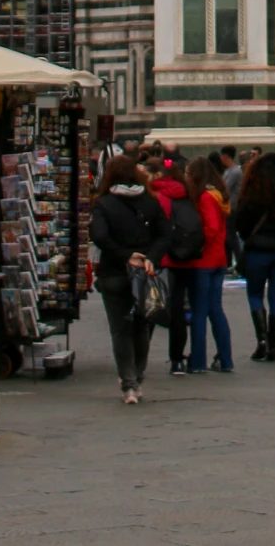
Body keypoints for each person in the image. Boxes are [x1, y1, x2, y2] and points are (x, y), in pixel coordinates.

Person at [87, 155, 170, 404]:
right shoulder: (150, 201)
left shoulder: (104, 203)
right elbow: (165, 234)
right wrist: (149, 257)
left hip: (114, 271)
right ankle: (139, 376)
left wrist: (125, 255)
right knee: (142, 325)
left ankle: (128, 384)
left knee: (120, 329)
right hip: (145, 272)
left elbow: (99, 236)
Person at [232, 152, 275, 363]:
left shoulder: (249, 197)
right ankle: (274, 344)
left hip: (258, 251)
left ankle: (262, 339)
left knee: (254, 294)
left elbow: (240, 225)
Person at [182, 157, 234, 373]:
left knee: (200, 311)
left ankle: (198, 361)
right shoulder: (219, 196)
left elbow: (210, 229)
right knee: (215, 309)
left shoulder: (205, 198)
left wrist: (192, 240)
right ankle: (225, 358)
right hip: (219, 258)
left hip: (203, 259)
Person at [151, 150, 196, 377]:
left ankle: (176, 358)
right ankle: (194, 357)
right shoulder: (189, 193)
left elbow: (158, 231)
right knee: (194, 307)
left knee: (172, 308)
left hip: (169, 260)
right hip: (192, 256)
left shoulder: (159, 196)